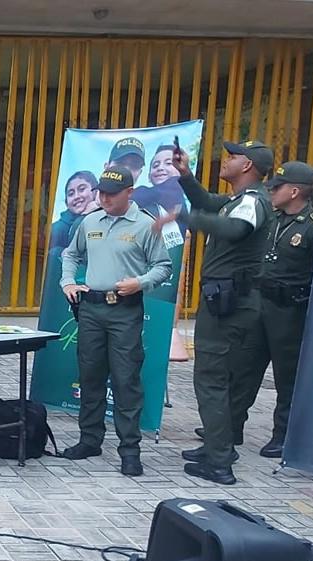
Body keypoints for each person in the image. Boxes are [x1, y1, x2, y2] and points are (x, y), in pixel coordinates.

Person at [168, 140, 273, 486]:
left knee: (212, 380)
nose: (225, 161)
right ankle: (218, 447)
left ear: (248, 166)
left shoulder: (254, 202)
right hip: (222, 303)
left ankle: (219, 463)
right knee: (216, 379)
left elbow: (233, 229)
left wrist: (187, 218)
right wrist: (185, 177)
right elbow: (210, 202)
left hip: (230, 307)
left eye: (232, 156)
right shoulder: (237, 200)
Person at [58, 166, 174, 476]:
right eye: (101, 193)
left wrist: (140, 282)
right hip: (91, 309)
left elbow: (163, 267)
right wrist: (68, 281)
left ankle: (129, 450)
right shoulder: (89, 220)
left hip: (124, 310)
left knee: (125, 380)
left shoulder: (145, 226)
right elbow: (71, 255)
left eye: (111, 194)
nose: (104, 198)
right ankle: (90, 439)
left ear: (130, 193)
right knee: (90, 375)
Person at [221, 161, 313, 459]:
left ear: (294, 191)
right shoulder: (272, 217)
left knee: (286, 376)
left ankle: (282, 435)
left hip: (289, 310)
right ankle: (231, 426)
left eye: (277, 187)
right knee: (242, 367)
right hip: (257, 303)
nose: (271, 191)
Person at [49, 171, 99, 252]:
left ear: (96, 192)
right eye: (71, 194)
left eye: (82, 189)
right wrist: (85, 215)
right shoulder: (57, 229)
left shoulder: (109, 217)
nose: (76, 196)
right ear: (66, 203)